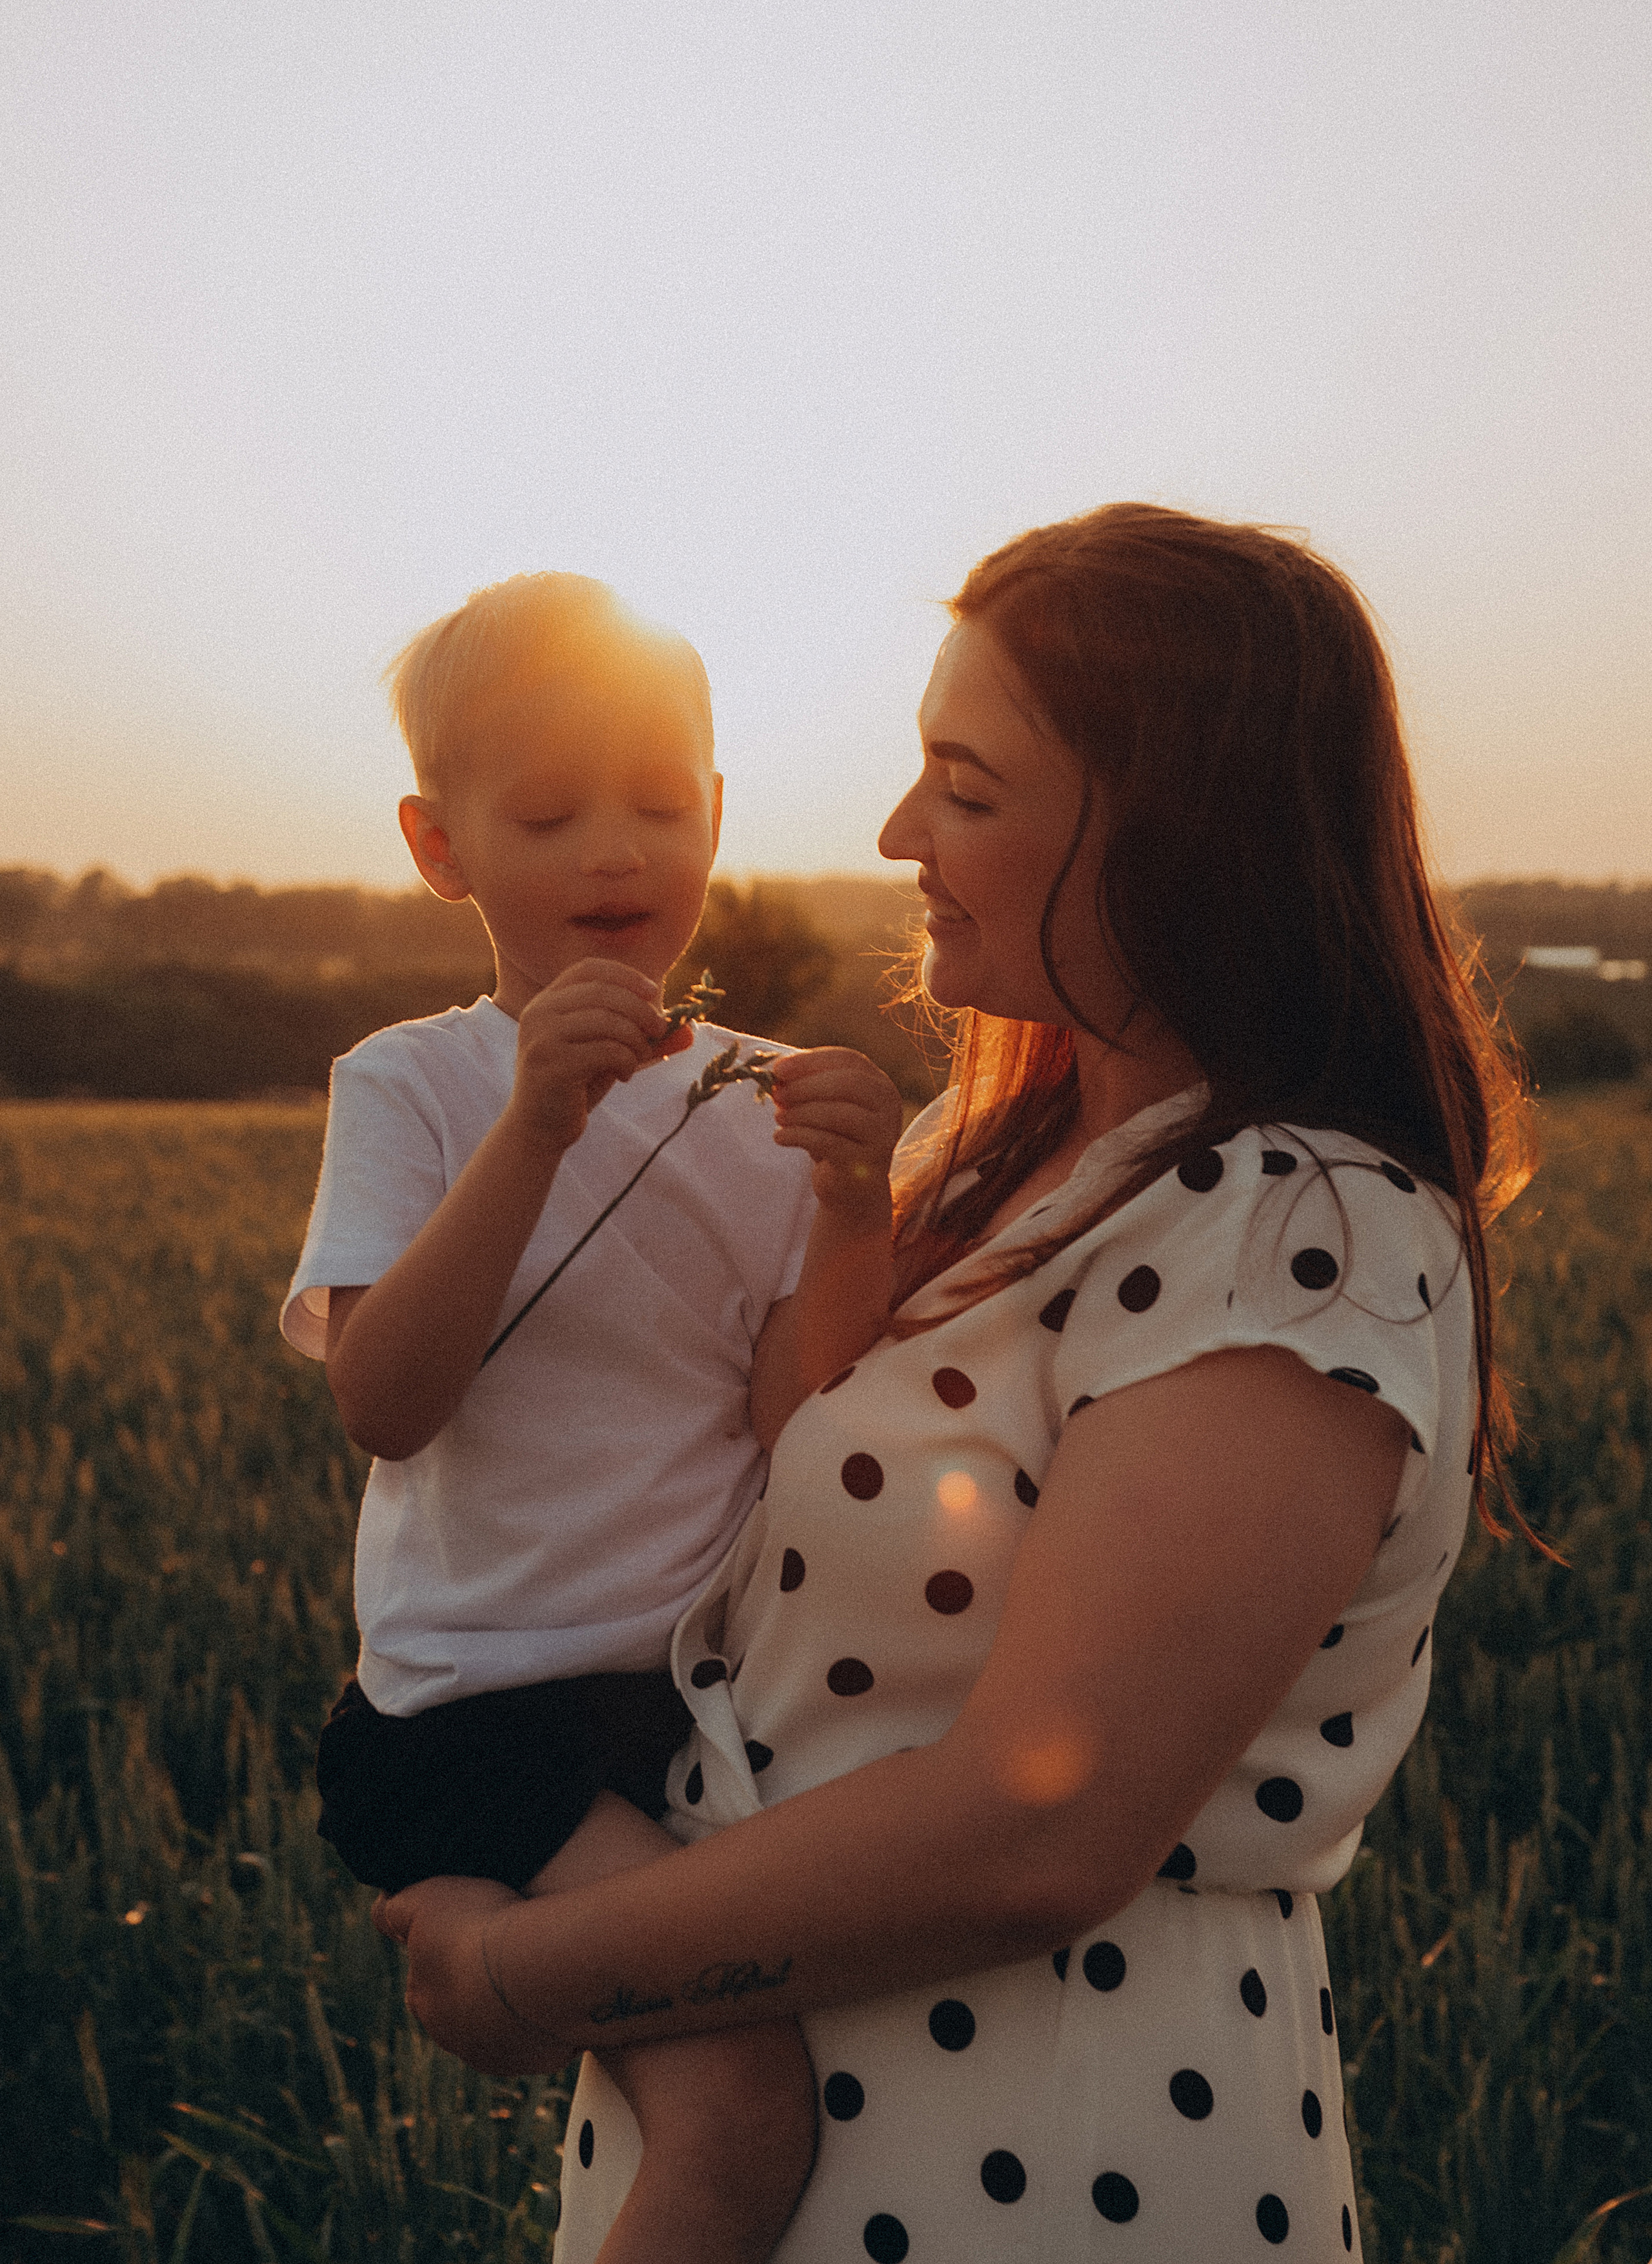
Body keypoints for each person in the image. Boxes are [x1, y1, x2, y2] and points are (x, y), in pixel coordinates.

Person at [376, 510, 1537, 2263]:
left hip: (1051, 2156)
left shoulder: (1301, 1221)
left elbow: (1044, 1824)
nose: (897, 833)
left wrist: (523, 1967)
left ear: (1169, 834)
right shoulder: (987, 1166)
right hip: (774, 2138)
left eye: (966, 788)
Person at [279, 571, 904, 2264]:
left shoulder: (759, 1099)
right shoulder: (413, 1086)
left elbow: (797, 1425)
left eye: (658, 801)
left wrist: (857, 1206)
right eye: (549, 812)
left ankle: (483, 1945)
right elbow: (384, 1401)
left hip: (698, 1711)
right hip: (478, 1715)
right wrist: (533, 1127)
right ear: (441, 844)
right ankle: (467, 1920)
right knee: (742, 2108)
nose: (616, 850)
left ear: (716, 812)